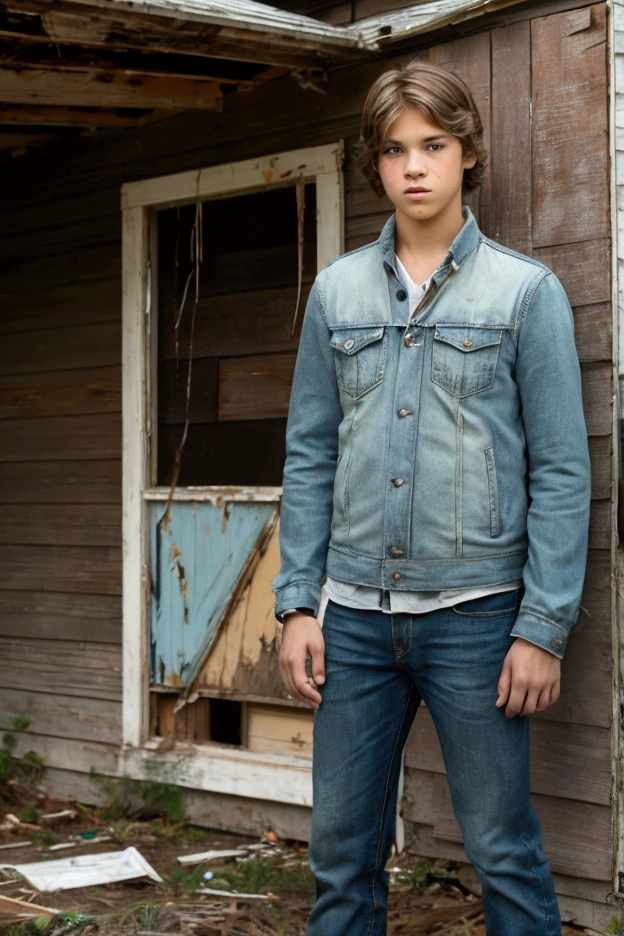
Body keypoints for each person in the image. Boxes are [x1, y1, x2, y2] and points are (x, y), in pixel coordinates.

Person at [272, 60, 591, 936]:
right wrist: (300, 604)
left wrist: (542, 627)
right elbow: (307, 456)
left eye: (434, 146)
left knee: (501, 849)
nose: (414, 166)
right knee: (340, 854)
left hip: (479, 620)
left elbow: (564, 471)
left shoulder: (526, 293)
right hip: (354, 621)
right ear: (375, 165)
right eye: (394, 150)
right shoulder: (336, 293)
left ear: (467, 155)